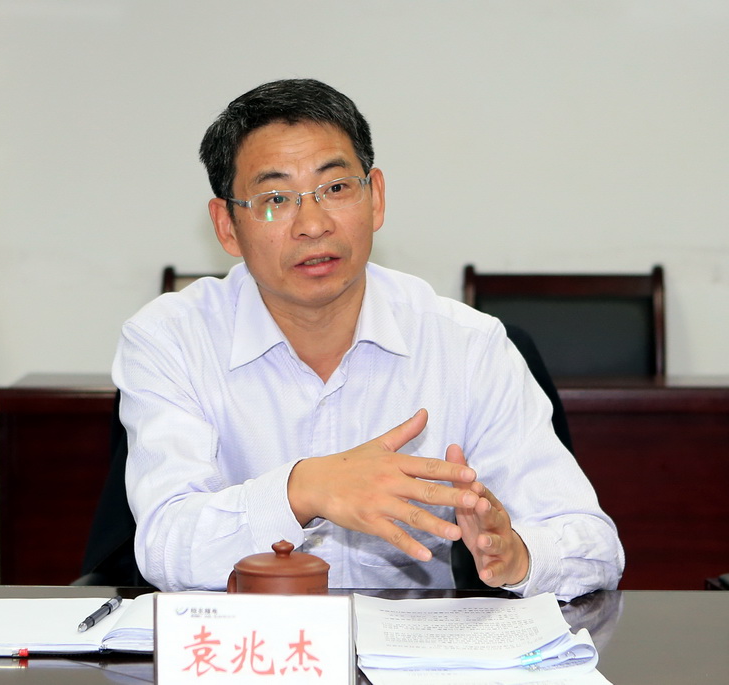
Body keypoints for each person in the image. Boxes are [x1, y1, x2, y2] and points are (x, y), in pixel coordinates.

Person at [113, 79, 624, 601]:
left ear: (375, 197)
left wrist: (518, 556)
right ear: (227, 226)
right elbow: (165, 545)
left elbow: (594, 546)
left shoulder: (466, 346)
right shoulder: (171, 341)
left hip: (412, 646)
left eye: (336, 189)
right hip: (248, 644)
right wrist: (304, 489)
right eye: (275, 199)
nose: (313, 224)